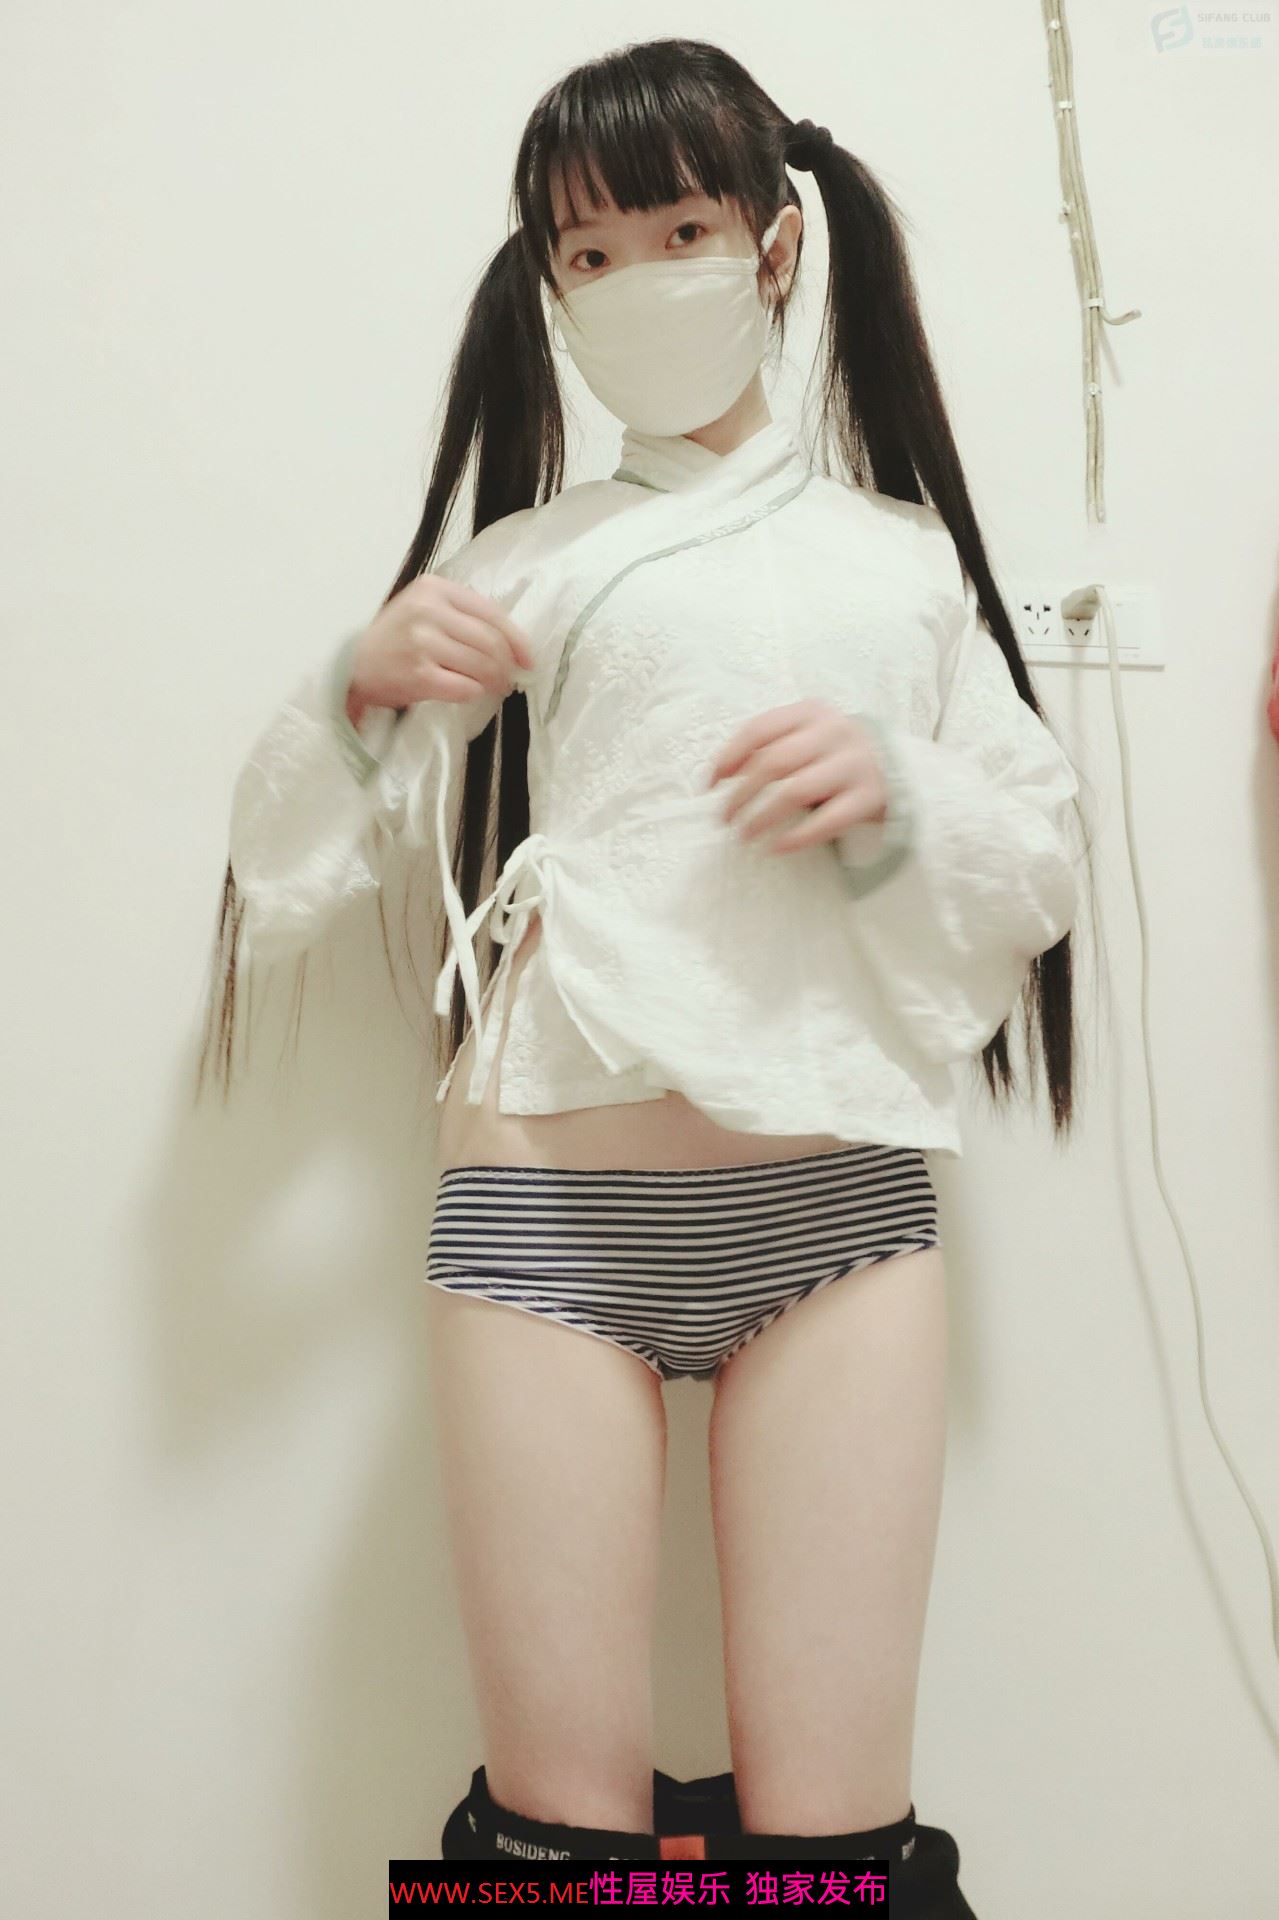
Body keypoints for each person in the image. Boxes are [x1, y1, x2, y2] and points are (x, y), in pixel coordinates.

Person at [205, 36, 1090, 1908]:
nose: (629, 280)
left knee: (842, 1862)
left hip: (837, 1216)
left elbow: (1038, 862)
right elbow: (280, 862)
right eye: (584, 252)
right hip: (545, 1212)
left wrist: (898, 796)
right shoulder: (527, 558)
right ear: (547, 283)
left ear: (776, 242)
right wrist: (357, 690)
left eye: (677, 229)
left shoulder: (904, 565)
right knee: (554, 1857)